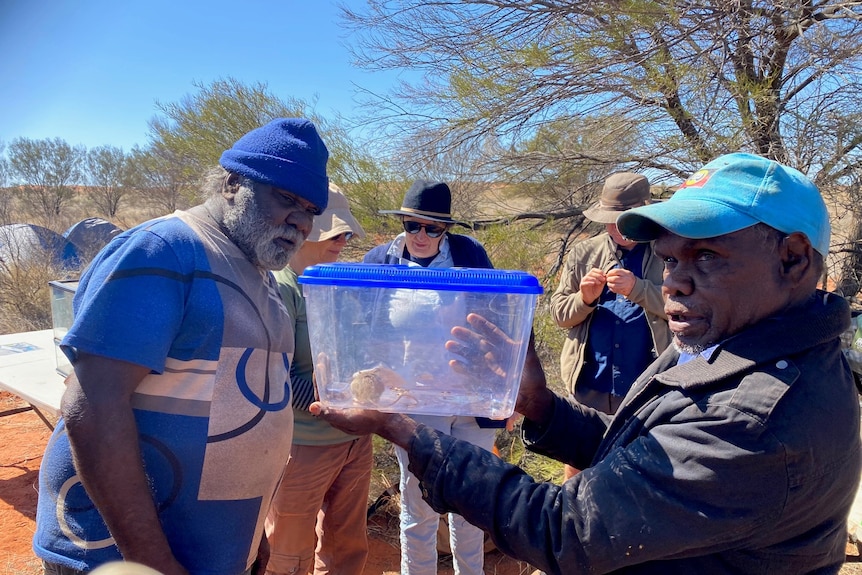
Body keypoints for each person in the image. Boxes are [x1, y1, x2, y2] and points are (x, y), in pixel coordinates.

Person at [312, 152, 862, 574]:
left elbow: (565, 530)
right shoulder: (734, 346)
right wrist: (540, 405)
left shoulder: (754, 418)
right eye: (669, 259)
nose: (673, 281)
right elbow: (642, 448)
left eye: (708, 256)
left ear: (792, 258)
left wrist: (400, 428)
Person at [33, 118, 330, 575]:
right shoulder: (163, 250)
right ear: (233, 183)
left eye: (310, 209)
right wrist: (150, 560)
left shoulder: (263, 280)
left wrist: (251, 540)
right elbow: (90, 406)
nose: (300, 221)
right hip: (121, 558)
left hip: (213, 554)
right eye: (286, 199)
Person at [363, 179, 504, 575]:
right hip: (416, 403)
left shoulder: (468, 254)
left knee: (471, 502)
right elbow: (360, 326)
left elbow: (498, 314)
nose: (421, 235)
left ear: (446, 230)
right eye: (413, 225)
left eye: (432, 228)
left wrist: (503, 393)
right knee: (419, 503)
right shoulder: (381, 261)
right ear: (403, 221)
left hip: (470, 399)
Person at [264, 184, 370, 575]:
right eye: (335, 233)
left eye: (345, 233)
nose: (343, 241)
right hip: (303, 445)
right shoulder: (279, 288)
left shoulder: (338, 283)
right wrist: (339, 397)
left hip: (354, 440)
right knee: (288, 551)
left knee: (346, 547)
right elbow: (276, 378)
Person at [550, 172, 671, 479]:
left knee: (637, 475)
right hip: (591, 384)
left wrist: (638, 289)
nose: (615, 228)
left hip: (648, 388)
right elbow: (560, 315)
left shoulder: (669, 252)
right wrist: (585, 298)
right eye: (609, 220)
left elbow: (686, 307)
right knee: (577, 469)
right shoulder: (584, 253)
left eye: (623, 220)